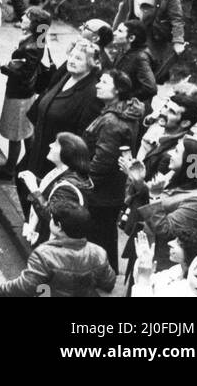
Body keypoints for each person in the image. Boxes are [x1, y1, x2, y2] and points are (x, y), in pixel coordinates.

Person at [123, 137, 197, 272]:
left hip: (160, 261)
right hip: (147, 248)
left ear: (189, 162)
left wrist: (155, 195)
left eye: (176, 151)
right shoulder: (178, 176)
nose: (171, 155)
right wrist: (139, 182)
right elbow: (159, 201)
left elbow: (166, 231)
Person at [83, 69, 143, 269]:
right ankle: (107, 271)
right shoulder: (124, 112)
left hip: (101, 192)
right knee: (106, 233)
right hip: (113, 190)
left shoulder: (112, 122)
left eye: (104, 82)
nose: (98, 84)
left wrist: (84, 182)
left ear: (117, 90)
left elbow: (101, 161)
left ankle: (102, 274)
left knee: (98, 235)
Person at [0, 202, 116, 297]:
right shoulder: (99, 252)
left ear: (59, 227)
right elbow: (109, 282)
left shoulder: (43, 255)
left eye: (52, 219)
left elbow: (25, 286)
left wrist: (2, 289)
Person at [25, 40, 103, 178]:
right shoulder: (67, 75)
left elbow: (84, 138)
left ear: (90, 63)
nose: (72, 60)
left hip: (59, 161)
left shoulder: (92, 93)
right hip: (40, 149)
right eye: (71, 56)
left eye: (78, 58)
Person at [0, 7, 52, 181]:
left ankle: (9, 169)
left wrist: (6, 67)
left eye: (27, 16)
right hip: (28, 93)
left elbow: (25, 73)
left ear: (34, 24)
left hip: (19, 94)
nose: (23, 17)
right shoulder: (38, 39)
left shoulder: (32, 46)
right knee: (26, 129)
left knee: (15, 133)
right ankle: (31, 162)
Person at [19, 131, 92, 247]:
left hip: (52, 243)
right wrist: (36, 180)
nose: (50, 145)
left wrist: (34, 189)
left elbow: (52, 215)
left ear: (67, 153)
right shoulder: (64, 172)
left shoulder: (67, 188)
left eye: (56, 144)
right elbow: (52, 190)